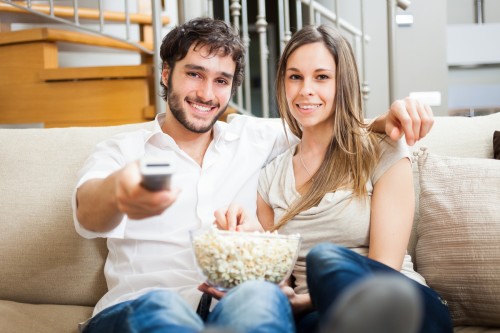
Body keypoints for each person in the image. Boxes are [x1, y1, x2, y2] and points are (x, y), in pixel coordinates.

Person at [73, 17, 436, 333]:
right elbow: (88, 212)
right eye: (194, 74)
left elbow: (324, 120)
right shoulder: (123, 150)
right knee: (163, 309)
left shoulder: (253, 138)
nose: (205, 92)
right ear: (167, 73)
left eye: (221, 80)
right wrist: (119, 191)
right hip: (141, 303)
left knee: (261, 296)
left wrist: (382, 123)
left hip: (228, 305)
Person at [213, 25, 453, 333]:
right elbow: (281, 280)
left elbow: (385, 268)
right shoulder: (271, 177)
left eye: (322, 77)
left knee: (323, 259)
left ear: (343, 83)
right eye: (295, 76)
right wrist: (245, 254)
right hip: (326, 318)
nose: (305, 90)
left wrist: (306, 299)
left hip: (403, 304)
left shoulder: (382, 150)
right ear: (283, 84)